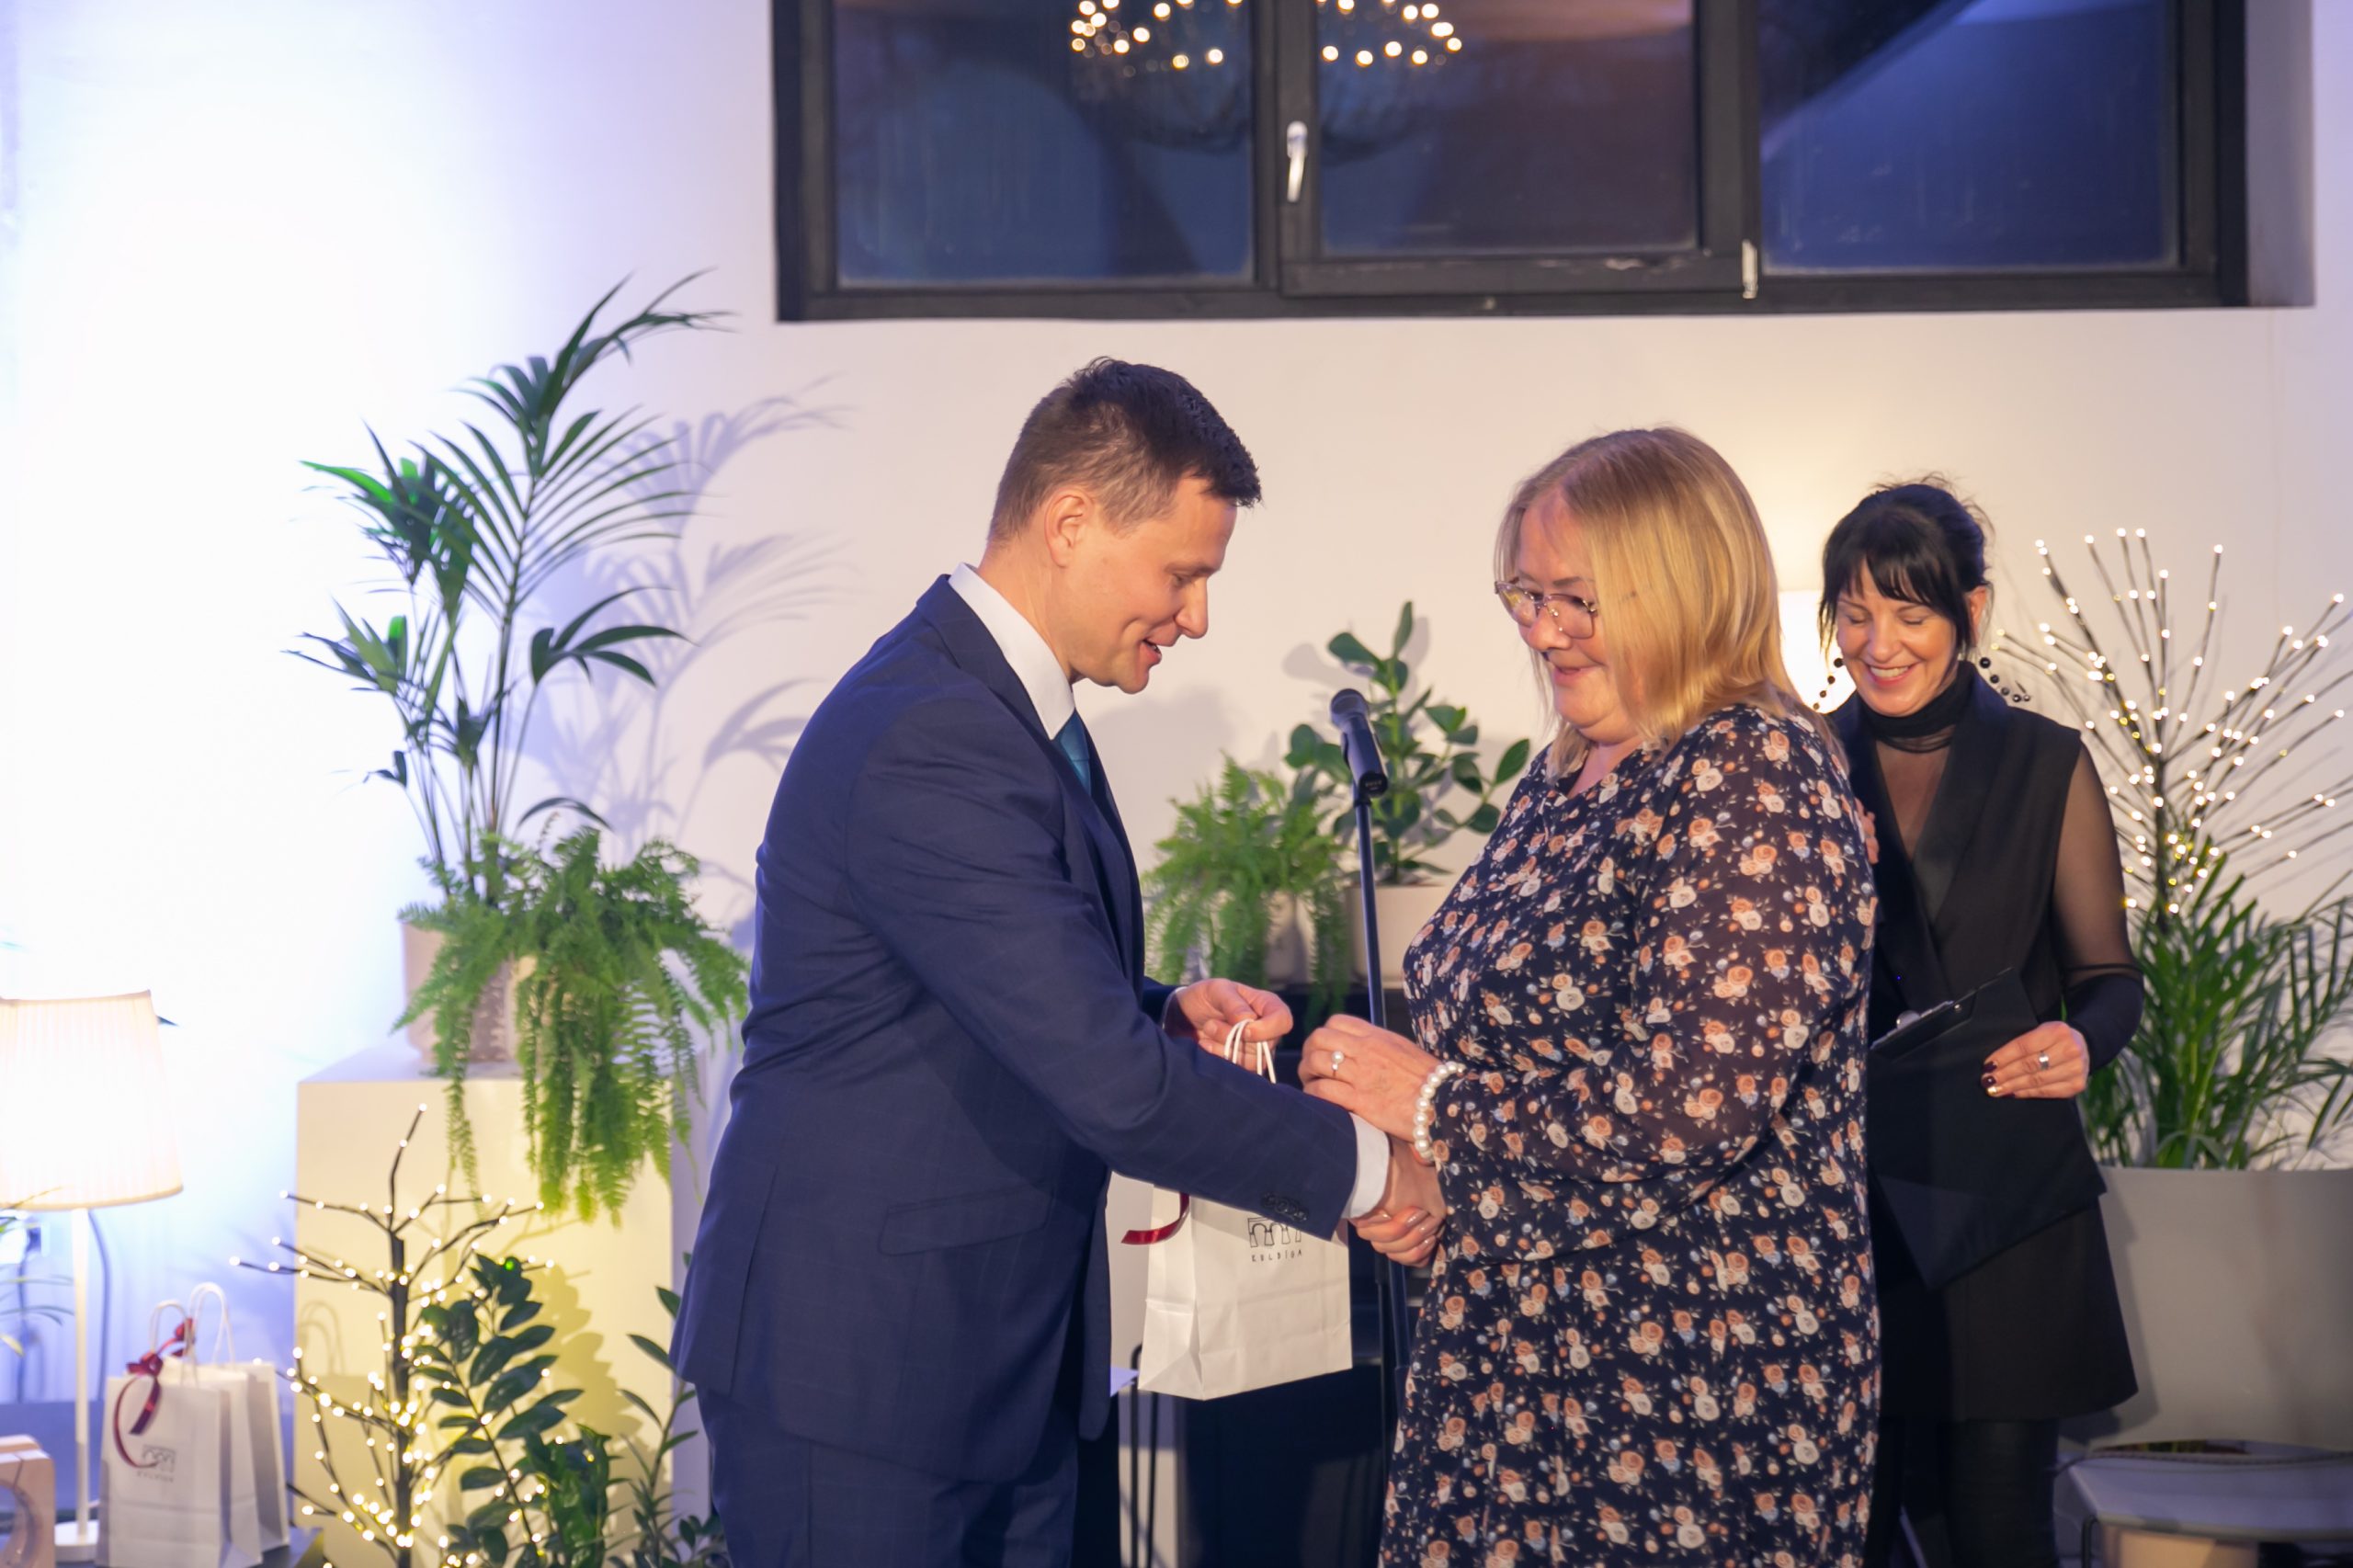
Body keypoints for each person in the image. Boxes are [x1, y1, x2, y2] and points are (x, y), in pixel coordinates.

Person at [672, 358, 1438, 1568]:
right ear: (1072, 521)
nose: (1195, 616)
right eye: (1181, 574)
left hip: (998, 1370)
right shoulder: (931, 730)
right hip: (863, 1387)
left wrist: (1158, 1012)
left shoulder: (999, 711)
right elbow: (1109, 1086)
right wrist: (1371, 1169)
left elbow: (997, 986)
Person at [1294, 427, 1881, 1564]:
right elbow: (1535, 1062)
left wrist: (1437, 1110)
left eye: (1574, 597)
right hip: (1513, 1350)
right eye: (1526, 592)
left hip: (1683, 1377)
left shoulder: (1753, 772)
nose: (1539, 627)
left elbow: (1689, 1104)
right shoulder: (1564, 771)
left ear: (1683, 588)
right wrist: (1438, 1182)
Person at [1819, 481, 2139, 1568]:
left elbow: (2108, 976)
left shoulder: (2046, 762)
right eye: (1854, 613)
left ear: (1970, 611)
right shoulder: (1803, 763)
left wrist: (2080, 1041)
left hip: (2004, 1196)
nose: (1879, 643)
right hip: (1849, 1199)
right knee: (1847, 1530)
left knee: (1998, 1527)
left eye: (1909, 613)